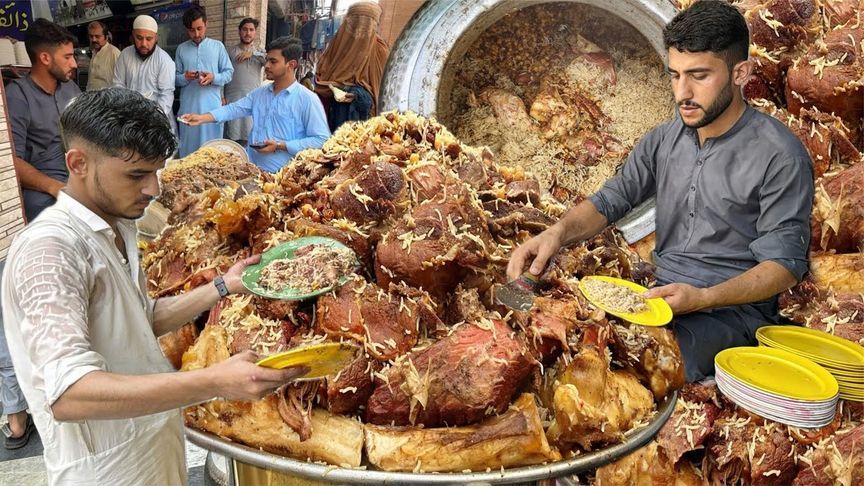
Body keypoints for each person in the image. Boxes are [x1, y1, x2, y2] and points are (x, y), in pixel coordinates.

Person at [1, 88, 306, 485]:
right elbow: (69, 394)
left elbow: (139, 320)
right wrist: (213, 381)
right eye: (136, 175)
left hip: (154, 452)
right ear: (78, 163)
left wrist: (223, 285)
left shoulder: (118, 226)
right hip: (108, 473)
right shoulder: (51, 251)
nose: (154, 189)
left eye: (156, 171)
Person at [507, 0, 814, 382]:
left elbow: (784, 268)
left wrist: (704, 298)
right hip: (656, 294)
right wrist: (556, 234)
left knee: (625, 373)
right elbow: (610, 200)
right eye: (675, 75)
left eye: (699, 76)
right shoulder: (665, 139)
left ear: (741, 73)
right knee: (541, 337)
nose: (682, 92)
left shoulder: (780, 154)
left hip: (729, 316)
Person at [181, 37, 329, 173]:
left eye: (273, 61)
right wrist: (202, 118)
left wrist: (280, 145)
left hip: (283, 177)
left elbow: (321, 140)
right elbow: (234, 109)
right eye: (267, 60)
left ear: (291, 65)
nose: (267, 65)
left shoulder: (307, 99)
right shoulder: (260, 93)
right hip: (250, 169)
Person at [8, 19, 80, 223]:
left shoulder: (71, 88)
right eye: (67, 57)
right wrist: (54, 187)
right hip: (44, 183)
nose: (74, 64)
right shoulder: (18, 96)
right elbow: (12, 161)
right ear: (45, 58)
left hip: (79, 172)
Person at [315, 2, 389, 131]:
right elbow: (320, 83)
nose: (360, 30)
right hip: (328, 122)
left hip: (368, 128)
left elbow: (383, 94)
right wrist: (334, 88)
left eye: (367, 24)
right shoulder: (336, 48)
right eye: (356, 22)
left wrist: (357, 95)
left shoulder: (380, 51)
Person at [175, 5, 233, 157]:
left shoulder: (218, 47)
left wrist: (214, 77)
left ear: (206, 24)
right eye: (191, 30)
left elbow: (229, 73)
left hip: (212, 109)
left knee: (212, 153)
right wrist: (185, 77)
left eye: (199, 28)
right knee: (188, 153)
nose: (196, 34)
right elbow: (174, 79)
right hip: (188, 108)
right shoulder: (181, 49)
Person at [113, 15, 178, 136]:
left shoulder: (165, 61)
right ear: (132, 35)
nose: (144, 43)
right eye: (139, 38)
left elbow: (166, 96)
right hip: (129, 120)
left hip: (155, 123)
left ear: (156, 38)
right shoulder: (125, 55)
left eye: (149, 39)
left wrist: (149, 120)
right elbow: (118, 86)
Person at [224, 17, 265, 146]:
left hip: (253, 102)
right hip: (233, 100)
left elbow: (269, 61)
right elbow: (223, 73)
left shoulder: (260, 52)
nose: (248, 33)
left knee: (251, 137)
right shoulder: (230, 51)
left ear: (255, 33)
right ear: (239, 31)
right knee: (232, 138)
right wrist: (221, 95)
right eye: (245, 29)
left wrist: (251, 54)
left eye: (251, 30)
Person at [85, 21, 120, 91]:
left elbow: (120, 82)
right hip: (92, 99)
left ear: (106, 37)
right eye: (91, 36)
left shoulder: (114, 53)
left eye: (97, 36)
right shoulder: (94, 52)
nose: (93, 39)